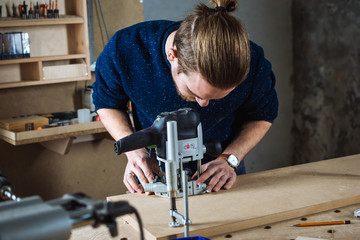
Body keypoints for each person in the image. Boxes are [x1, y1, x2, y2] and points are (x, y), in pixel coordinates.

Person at [93, 0, 278, 195]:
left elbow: (262, 115)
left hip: (221, 171)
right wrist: (135, 152)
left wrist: (230, 159)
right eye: (194, 92)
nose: (203, 104)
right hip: (154, 172)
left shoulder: (252, 61)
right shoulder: (126, 49)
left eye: (218, 97)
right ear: (173, 56)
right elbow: (107, 104)